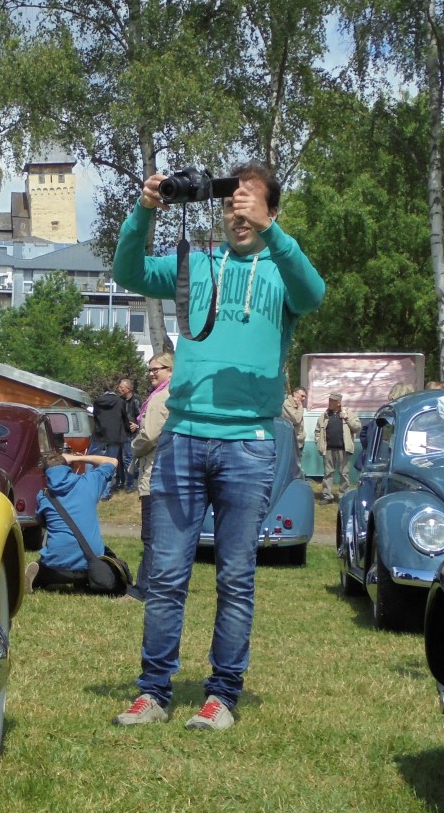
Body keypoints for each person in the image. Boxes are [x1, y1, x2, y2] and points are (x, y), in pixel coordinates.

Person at [110, 160, 325, 731]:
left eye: (252, 202)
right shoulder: (200, 264)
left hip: (248, 445)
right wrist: (144, 210)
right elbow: (127, 268)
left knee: (235, 575)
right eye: (231, 201)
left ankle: (222, 695)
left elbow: (314, 290)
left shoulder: (281, 270)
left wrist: (273, 233)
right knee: (167, 573)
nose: (239, 211)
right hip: (182, 436)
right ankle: (153, 691)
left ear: (272, 211)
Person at [30, 452, 122, 593]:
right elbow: (112, 461)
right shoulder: (89, 483)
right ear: (69, 468)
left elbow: (42, 522)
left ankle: (36, 578)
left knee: (44, 566)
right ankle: (85, 582)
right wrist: (78, 458)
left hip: (56, 567)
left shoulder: (43, 496)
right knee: (106, 554)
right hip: (89, 565)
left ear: (46, 475)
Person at [126, 352, 174, 601]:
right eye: (150, 369)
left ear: (170, 370)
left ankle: (143, 589)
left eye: (157, 369)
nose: (152, 373)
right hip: (167, 472)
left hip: (153, 473)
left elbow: (150, 435)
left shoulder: (158, 400)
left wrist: (133, 447)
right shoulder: (174, 395)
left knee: (151, 536)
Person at [314, 393, 361, 502]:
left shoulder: (348, 413)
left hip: (343, 449)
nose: (329, 403)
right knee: (328, 473)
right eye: (329, 401)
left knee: (344, 473)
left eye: (332, 401)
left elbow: (357, 427)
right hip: (328, 449)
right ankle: (327, 496)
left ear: (338, 403)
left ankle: (343, 496)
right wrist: (318, 442)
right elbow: (317, 431)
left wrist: (346, 417)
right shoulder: (325, 415)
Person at [90, 382, 127, 500]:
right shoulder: (120, 402)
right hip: (115, 436)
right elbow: (124, 417)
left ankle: (90, 487)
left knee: (90, 459)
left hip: (100, 434)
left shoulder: (97, 401)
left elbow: (95, 417)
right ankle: (105, 493)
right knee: (110, 463)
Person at [118, 378, 142, 492]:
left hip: (131, 434)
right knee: (121, 459)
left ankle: (130, 485)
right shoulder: (120, 400)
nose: (119, 389)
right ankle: (121, 482)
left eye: (121, 387)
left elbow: (142, 415)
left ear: (128, 389)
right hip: (121, 433)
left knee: (129, 459)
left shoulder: (136, 400)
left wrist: (137, 425)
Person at [280, 386, 307, 458]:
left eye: (305, 397)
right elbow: (296, 419)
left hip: (299, 442)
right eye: (302, 396)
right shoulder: (286, 404)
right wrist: (300, 406)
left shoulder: (297, 405)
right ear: (295, 394)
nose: (304, 399)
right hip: (290, 443)